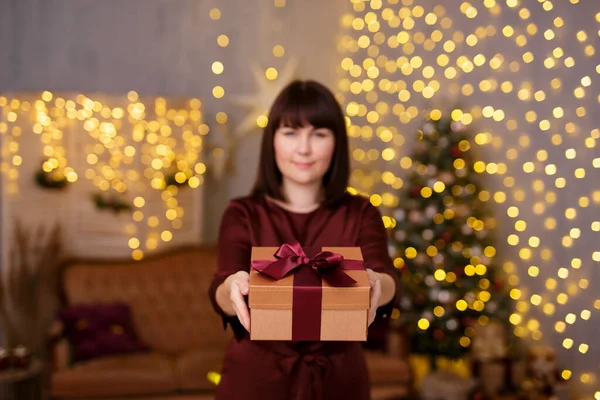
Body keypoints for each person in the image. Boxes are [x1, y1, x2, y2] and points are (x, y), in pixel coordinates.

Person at [208, 80, 398, 400]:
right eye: (291, 132)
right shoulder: (243, 212)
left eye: (319, 134)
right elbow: (221, 286)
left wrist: (378, 282)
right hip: (255, 380)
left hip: (339, 380)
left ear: (337, 143)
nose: (304, 148)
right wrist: (232, 288)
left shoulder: (360, 212)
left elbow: (388, 277)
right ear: (272, 141)